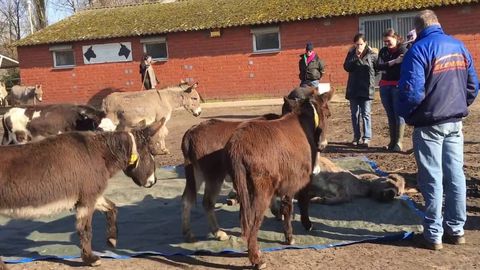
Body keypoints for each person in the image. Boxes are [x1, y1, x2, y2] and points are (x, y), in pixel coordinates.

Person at [397, 9, 478, 250]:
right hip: (455, 122)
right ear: (438, 24)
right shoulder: (459, 46)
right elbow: (472, 85)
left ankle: (433, 234)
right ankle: (456, 229)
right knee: (456, 175)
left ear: (418, 29)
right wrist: (459, 105)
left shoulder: (419, 51)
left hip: (429, 124)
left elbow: (412, 92)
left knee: (432, 178)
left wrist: (406, 114)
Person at [376, 28, 407, 152]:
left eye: (388, 41)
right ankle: (392, 141)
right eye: (385, 42)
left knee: (398, 114)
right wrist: (394, 62)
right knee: (390, 115)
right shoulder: (383, 51)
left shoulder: (403, 50)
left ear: (396, 38)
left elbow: (400, 67)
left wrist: (388, 65)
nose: (386, 44)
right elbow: (378, 65)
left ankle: (399, 142)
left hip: (397, 85)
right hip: (384, 85)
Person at [343, 33, 377, 147]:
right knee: (354, 114)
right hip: (353, 88)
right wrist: (354, 58)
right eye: (357, 45)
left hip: (366, 88)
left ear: (365, 43)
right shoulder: (351, 54)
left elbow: (376, 69)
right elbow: (347, 67)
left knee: (366, 114)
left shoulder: (372, 54)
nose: (359, 47)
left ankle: (366, 138)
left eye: (361, 44)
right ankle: (356, 137)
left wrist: (371, 80)